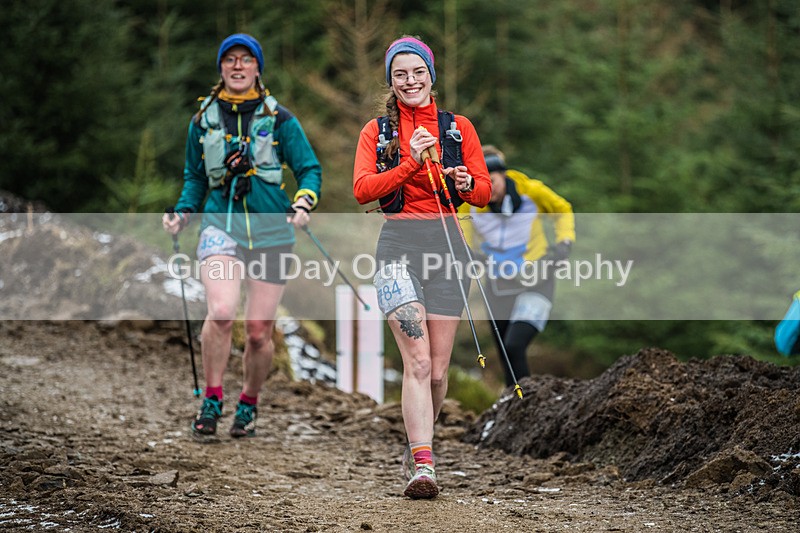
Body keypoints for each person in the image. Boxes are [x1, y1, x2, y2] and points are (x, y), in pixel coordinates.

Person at [162, 33, 322, 440]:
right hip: (219, 226)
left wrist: (303, 203)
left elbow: (309, 170)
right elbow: (194, 180)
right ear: (221, 68)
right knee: (221, 311)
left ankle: (249, 402)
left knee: (258, 332)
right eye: (229, 59)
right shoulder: (202, 121)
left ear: (257, 68)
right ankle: (212, 399)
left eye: (245, 60)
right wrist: (182, 213)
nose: (236, 66)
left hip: (272, 232)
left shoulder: (280, 118)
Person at [353, 36, 491, 499]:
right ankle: (423, 464)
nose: (410, 81)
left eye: (417, 72)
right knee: (415, 360)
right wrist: (411, 162)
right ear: (390, 81)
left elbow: (485, 193)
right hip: (398, 246)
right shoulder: (378, 132)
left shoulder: (458, 128)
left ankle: (419, 444)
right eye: (400, 74)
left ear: (432, 76)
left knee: (435, 370)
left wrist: (466, 182)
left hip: (450, 248)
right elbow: (362, 189)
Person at [460, 145, 575, 387]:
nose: (487, 190)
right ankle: (516, 402)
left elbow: (562, 209)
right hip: (498, 283)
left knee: (514, 344)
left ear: (503, 174)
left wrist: (564, 242)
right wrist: (470, 254)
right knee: (505, 351)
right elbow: (462, 237)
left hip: (536, 278)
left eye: (491, 181)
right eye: (480, 183)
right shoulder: (469, 203)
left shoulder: (531, 191)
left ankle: (528, 402)